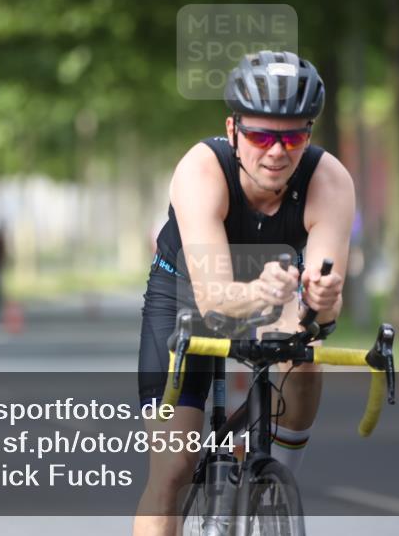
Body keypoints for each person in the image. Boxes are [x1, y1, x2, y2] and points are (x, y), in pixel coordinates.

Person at [133, 51, 355, 535]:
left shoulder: (330, 181)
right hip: (186, 293)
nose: (277, 152)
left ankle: (273, 487)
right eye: (260, 135)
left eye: (293, 135)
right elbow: (213, 300)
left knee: (306, 355)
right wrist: (262, 291)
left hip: (271, 290)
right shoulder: (201, 171)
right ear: (233, 130)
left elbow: (323, 306)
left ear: (310, 135)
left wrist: (320, 299)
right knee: (173, 470)